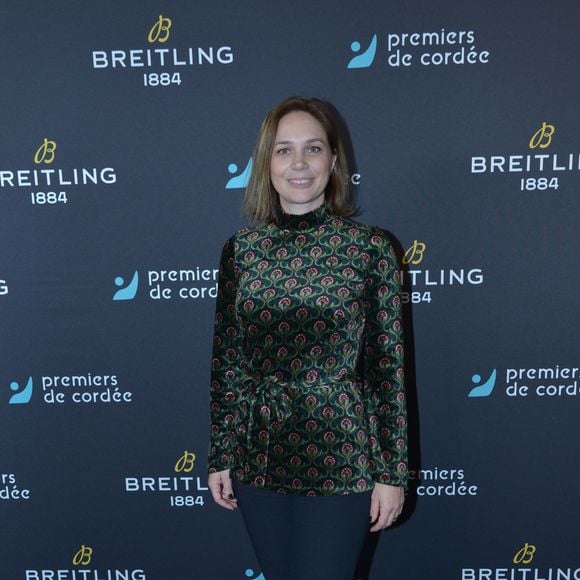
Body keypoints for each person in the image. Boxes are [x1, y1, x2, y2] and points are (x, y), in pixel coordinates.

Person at [208, 96, 407, 580]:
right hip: (259, 455)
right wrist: (221, 454)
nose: (298, 164)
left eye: (312, 149)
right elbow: (228, 361)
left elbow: (387, 370)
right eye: (283, 150)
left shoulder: (370, 250)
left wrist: (391, 473)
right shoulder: (241, 251)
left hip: (342, 456)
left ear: (333, 161)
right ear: (266, 163)